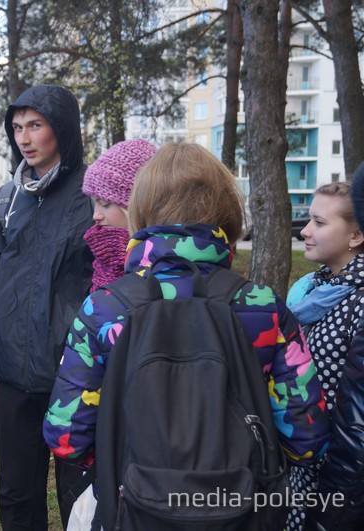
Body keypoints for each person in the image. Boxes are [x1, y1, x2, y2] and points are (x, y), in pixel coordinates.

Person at [43, 142, 330, 528]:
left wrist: (125, 462)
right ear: (226, 207)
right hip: (241, 510)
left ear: (140, 207)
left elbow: (66, 436)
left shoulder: (105, 309)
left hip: (134, 507)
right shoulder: (263, 307)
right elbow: (307, 435)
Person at [0, 84, 95, 529]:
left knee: (80, 497)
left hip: (76, 374)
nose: (24, 138)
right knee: (16, 492)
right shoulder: (7, 200)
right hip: (14, 375)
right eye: (17, 127)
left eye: (35, 126)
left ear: (61, 129)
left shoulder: (93, 195)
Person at [284, 181, 364, 531]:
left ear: (355, 236)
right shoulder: (316, 291)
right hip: (306, 466)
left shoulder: (359, 302)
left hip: (339, 482)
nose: (305, 230)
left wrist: (335, 504)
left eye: (319, 222)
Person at [82, 139, 156, 292]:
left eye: (105, 204)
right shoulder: (105, 259)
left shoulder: (157, 265)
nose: (96, 215)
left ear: (135, 205)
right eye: (94, 203)